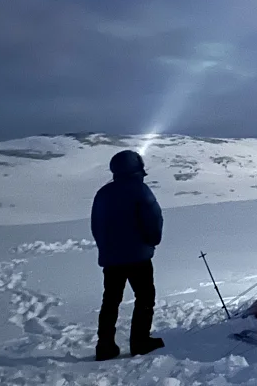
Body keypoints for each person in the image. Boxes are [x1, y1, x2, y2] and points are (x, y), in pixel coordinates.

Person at [90, 149, 165, 361]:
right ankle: (140, 341)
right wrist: (151, 241)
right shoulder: (141, 191)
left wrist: (106, 248)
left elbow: (96, 226)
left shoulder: (103, 193)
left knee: (110, 301)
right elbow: (153, 222)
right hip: (138, 257)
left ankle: (104, 346)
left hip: (111, 259)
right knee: (145, 298)